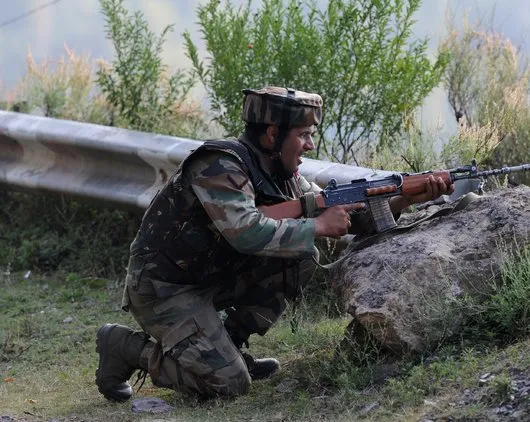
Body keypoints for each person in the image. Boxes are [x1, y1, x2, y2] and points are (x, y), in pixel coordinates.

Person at [95, 86, 452, 402]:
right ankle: (125, 348)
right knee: (229, 384)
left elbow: (352, 220)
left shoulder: (282, 174)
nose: (310, 145)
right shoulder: (218, 165)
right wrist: (315, 223)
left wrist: (406, 197)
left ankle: (228, 344)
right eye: (303, 135)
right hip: (165, 288)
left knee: (301, 256)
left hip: (212, 276)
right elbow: (246, 231)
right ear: (271, 134)